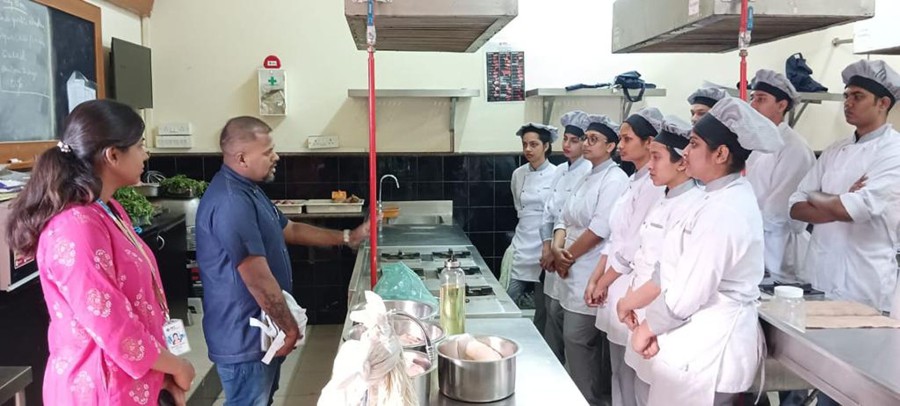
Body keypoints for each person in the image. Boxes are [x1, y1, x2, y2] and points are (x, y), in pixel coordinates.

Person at [5, 100, 195, 405]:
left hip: (138, 377)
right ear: (113, 155)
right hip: (101, 388)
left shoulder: (108, 209)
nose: (146, 154)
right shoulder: (75, 227)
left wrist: (168, 366)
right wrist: (177, 366)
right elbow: (113, 324)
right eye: (140, 145)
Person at [196, 116, 369, 405]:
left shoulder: (249, 190)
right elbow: (258, 279)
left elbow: (291, 229)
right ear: (241, 158)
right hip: (245, 336)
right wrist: (289, 327)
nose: (276, 157)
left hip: (262, 332)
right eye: (268, 152)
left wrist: (347, 236)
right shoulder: (231, 202)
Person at [632, 97, 783, 405]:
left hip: (710, 350)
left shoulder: (727, 208)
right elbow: (674, 266)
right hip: (690, 342)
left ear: (721, 154)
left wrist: (648, 327)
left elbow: (691, 289)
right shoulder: (710, 197)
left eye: (694, 144)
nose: (685, 152)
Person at [789, 60, 900, 406]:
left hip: (864, 286)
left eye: (858, 96)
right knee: (823, 380)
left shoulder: (893, 152)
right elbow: (795, 206)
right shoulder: (835, 151)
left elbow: (856, 210)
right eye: (847, 96)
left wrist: (825, 199)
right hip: (823, 281)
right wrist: (837, 201)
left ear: (883, 103)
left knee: (856, 389)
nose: (848, 103)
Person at [616, 116, 702, 406]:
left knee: (655, 395)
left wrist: (627, 303)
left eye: (657, 157)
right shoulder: (666, 198)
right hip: (642, 313)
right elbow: (644, 256)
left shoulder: (691, 206)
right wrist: (631, 302)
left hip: (664, 321)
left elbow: (666, 274)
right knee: (640, 391)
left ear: (682, 162)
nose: (650, 165)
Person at [587, 107, 665, 406]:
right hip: (614, 284)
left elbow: (631, 247)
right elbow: (614, 237)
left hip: (631, 287)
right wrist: (596, 278)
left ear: (649, 142)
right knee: (619, 371)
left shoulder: (653, 187)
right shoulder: (633, 181)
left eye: (627, 139)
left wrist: (602, 282)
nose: (620, 145)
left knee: (634, 375)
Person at [552, 114, 628, 405]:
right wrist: (558, 249)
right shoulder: (586, 175)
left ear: (610, 146)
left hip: (588, 267)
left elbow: (599, 229)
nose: (586, 144)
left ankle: (587, 399)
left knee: (577, 338)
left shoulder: (614, 179)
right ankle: (574, 396)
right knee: (571, 340)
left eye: (593, 139)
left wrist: (566, 257)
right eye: (586, 138)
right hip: (568, 265)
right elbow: (563, 216)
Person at [746, 69, 816, 284]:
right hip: (756, 244)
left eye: (761, 99)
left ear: (781, 105)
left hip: (780, 252)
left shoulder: (794, 148)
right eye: (752, 98)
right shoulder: (757, 143)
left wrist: (742, 219)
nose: (753, 105)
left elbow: (779, 211)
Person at [541, 111, 593, 364]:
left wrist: (560, 254)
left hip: (574, 259)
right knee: (552, 315)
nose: (567, 145)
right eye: (565, 139)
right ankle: (554, 367)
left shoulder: (590, 171)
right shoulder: (560, 170)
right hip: (556, 250)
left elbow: (594, 228)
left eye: (574, 140)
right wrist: (548, 248)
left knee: (572, 333)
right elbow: (550, 213)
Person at [509, 123, 558, 328]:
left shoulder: (558, 174)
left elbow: (556, 214)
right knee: (508, 295)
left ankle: (540, 342)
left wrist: (551, 247)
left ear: (546, 146)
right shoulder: (518, 174)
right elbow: (518, 206)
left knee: (543, 307)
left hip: (545, 245)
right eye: (525, 144)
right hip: (522, 241)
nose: (528, 149)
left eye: (534, 144)